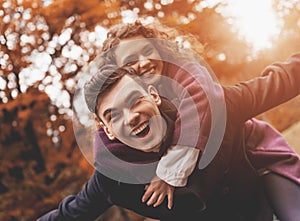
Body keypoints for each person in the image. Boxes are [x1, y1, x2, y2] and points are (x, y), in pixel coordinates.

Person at [38, 21, 300, 220]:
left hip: (260, 171)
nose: (143, 63)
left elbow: (278, 82)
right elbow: (70, 214)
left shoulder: (213, 102)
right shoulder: (114, 175)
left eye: (134, 101)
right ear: (106, 129)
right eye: (114, 114)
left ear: (151, 94)